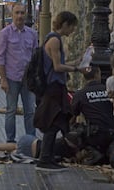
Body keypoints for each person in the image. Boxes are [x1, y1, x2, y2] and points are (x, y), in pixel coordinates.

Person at [33, 11, 88, 172]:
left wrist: (75, 62)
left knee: (57, 122)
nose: (72, 31)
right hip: (54, 87)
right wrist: (76, 69)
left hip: (55, 86)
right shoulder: (55, 41)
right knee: (54, 123)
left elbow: (56, 64)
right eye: (72, 27)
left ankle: (48, 157)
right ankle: (45, 159)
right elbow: (57, 67)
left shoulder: (51, 38)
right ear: (65, 24)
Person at [0, 3, 38, 141]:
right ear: (12, 15)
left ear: (26, 15)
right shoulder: (4, 34)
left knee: (30, 111)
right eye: (17, 13)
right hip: (11, 78)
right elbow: (0, 57)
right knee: (11, 110)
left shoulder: (32, 34)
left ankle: (30, 140)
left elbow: (35, 56)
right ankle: (10, 140)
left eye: (22, 13)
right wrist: (3, 79)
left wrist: (36, 77)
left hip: (28, 80)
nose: (20, 16)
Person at [71, 66, 114, 168]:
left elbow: (72, 116)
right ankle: (113, 148)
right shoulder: (109, 90)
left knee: (76, 128)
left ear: (84, 77)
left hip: (96, 135)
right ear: (97, 74)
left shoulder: (80, 94)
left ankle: (92, 151)